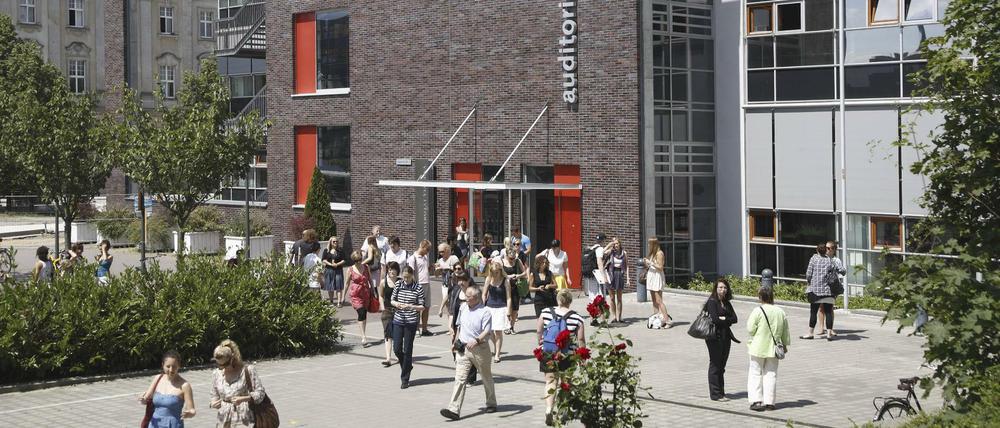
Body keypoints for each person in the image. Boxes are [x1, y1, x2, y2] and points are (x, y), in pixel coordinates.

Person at [440, 286, 497, 421]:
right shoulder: (463, 307)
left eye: (468, 297)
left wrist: (477, 340)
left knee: (486, 377)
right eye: (465, 296)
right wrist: (456, 341)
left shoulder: (485, 312)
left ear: (476, 298)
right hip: (463, 349)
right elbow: (460, 326)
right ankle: (454, 409)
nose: (465, 298)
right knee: (459, 379)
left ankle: (491, 403)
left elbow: (487, 331)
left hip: (480, 349)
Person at [536, 289, 587, 426]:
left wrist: (540, 342)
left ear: (558, 300)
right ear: (570, 302)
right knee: (566, 383)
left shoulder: (546, 312)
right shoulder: (577, 318)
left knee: (550, 382)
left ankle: (548, 408)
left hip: (549, 353)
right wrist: (582, 357)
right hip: (567, 355)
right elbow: (581, 339)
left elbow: (539, 330)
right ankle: (563, 410)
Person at [746, 286, 791, 412]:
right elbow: (785, 331)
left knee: (755, 373)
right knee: (771, 374)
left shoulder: (757, 311)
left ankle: (756, 401)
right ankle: (770, 402)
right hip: (773, 348)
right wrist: (785, 345)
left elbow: (750, 329)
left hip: (758, 346)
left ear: (760, 297)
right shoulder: (780, 311)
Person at [209, 340, 267, 427]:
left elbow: (260, 393)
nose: (222, 368)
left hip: (244, 418)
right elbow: (214, 395)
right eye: (219, 365)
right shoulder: (216, 374)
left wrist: (244, 398)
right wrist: (213, 403)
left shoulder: (248, 370)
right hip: (223, 419)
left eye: (225, 364)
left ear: (232, 358)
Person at [139, 350, 196, 428]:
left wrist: (190, 413)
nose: (171, 370)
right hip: (154, 424)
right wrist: (143, 400)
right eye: (168, 366)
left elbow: (192, 410)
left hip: (173, 425)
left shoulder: (185, 385)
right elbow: (146, 398)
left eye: (174, 366)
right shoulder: (158, 378)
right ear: (163, 365)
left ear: (179, 366)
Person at [391, 265, 425, 388]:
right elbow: (392, 300)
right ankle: (407, 365)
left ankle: (405, 379)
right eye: (404, 277)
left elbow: (422, 306)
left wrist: (411, 306)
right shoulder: (398, 284)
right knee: (397, 348)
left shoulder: (418, 288)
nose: (405, 280)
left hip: (411, 321)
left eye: (407, 277)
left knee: (407, 349)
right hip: (398, 319)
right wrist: (397, 304)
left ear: (412, 276)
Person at [706, 279, 739, 401]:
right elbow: (715, 319)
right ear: (716, 289)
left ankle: (721, 392)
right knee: (715, 364)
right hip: (714, 337)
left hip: (726, 336)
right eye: (720, 287)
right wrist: (726, 319)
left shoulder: (726, 303)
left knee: (722, 365)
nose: (723, 290)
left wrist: (723, 318)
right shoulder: (712, 302)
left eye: (725, 288)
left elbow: (735, 318)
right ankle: (715, 394)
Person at [802, 244, 842, 341]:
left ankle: (810, 333)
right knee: (828, 312)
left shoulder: (814, 259)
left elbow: (808, 273)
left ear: (817, 250)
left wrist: (809, 281)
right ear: (826, 251)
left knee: (813, 312)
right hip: (828, 291)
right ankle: (828, 334)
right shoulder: (829, 260)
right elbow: (838, 270)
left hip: (815, 291)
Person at [447, 277, 478, 385]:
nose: (460, 282)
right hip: (458, 325)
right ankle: (462, 375)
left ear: (468, 280)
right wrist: (450, 324)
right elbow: (451, 308)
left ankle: (470, 378)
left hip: (471, 328)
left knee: (470, 352)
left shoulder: (474, 292)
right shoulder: (455, 291)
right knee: (457, 351)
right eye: (459, 280)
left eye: (463, 280)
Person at [483, 260, 512, 363]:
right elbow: (484, 294)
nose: (495, 274)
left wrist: (508, 311)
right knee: (489, 332)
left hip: (501, 308)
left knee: (498, 332)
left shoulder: (505, 280)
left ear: (500, 270)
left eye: (497, 272)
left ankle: (497, 354)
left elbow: (509, 297)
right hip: (489, 308)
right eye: (493, 272)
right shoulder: (488, 279)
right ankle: (496, 346)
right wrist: (482, 306)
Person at [817, 241, 846, 336]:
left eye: (829, 248)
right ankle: (821, 328)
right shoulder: (821, 258)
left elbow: (842, 272)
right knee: (821, 306)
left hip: (832, 287)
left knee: (829, 307)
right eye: (826, 248)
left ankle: (830, 328)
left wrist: (839, 269)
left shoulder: (836, 260)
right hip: (822, 285)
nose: (827, 250)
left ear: (834, 250)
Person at [407, 240, 433, 337]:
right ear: (422, 247)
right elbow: (411, 273)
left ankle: (425, 329)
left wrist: (431, 268)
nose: (428, 251)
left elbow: (425, 270)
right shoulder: (412, 258)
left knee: (426, 307)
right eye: (427, 249)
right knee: (417, 308)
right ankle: (417, 329)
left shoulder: (425, 257)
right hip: (419, 285)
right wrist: (414, 287)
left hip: (427, 283)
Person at [347, 250, 373, 347]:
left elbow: (370, 279)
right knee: (361, 312)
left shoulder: (366, 267)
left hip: (365, 293)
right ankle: (363, 337)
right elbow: (346, 283)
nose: (359, 262)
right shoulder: (350, 269)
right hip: (355, 294)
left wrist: (373, 291)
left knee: (364, 314)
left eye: (360, 259)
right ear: (354, 260)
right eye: (356, 260)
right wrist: (341, 298)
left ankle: (363, 332)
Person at [645, 237, 670, 327]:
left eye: (649, 244)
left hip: (657, 277)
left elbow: (660, 267)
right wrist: (647, 263)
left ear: (653, 244)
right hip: (652, 276)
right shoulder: (652, 253)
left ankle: (667, 321)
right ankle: (657, 318)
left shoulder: (659, 253)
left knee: (659, 300)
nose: (648, 245)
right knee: (654, 301)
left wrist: (650, 263)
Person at [380, 261, 401, 367]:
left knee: (398, 334)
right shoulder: (384, 282)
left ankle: (399, 355)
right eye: (390, 269)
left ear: (398, 270)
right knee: (388, 334)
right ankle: (388, 358)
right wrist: (382, 307)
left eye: (394, 269)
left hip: (399, 312)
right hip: (387, 311)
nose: (392, 271)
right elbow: (381, 296)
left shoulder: (401, 282)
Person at [606, 238, 632, 324]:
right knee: (612, 298)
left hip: (619, 274)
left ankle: (619, 317)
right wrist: (610, 245)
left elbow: (627, 266)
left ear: (620, 244)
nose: (616, 245)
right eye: (614, 244)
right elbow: (603, 252)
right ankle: (614, 316)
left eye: (617, 243)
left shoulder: (624, 253)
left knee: (619, 298)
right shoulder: (611, 252)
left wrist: (628, 278)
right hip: (611, 274)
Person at [582, 234, 610, 307]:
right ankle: (599, 311)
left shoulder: (593, 248)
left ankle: (592, 310)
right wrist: (604, 276)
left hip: (590, 273)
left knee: (592, 293)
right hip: (597, 274)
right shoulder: (599, 249)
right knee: (599, 293)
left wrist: (609, 247)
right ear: (603, 240)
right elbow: (599, 262)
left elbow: (602, 252)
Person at [436, 243, 461, 318]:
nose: (441, 253)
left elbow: (458, 268)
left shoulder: (453, 258)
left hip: (454, 283)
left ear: (447, 250)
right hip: (445, 283)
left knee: (449, 298)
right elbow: (437, 275)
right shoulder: (440, 260)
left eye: (442, 251)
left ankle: (440, 309)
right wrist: (437, 270)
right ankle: (450, 318)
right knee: (448, 303)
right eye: (439, 252)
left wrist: (445, 268)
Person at [322, 237, 347, 305]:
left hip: (338, 270)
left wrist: (337, 264)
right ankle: (331, 301)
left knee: (339, 287)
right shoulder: (326, 250)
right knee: (330, 287)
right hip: (329, 270)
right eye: (334, 241)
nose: (335, 243)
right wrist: (330, 264)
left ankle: (339, 302)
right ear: (330, 242)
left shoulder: (340, 250)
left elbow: (344, 260)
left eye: (336, 241)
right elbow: (324, 259)